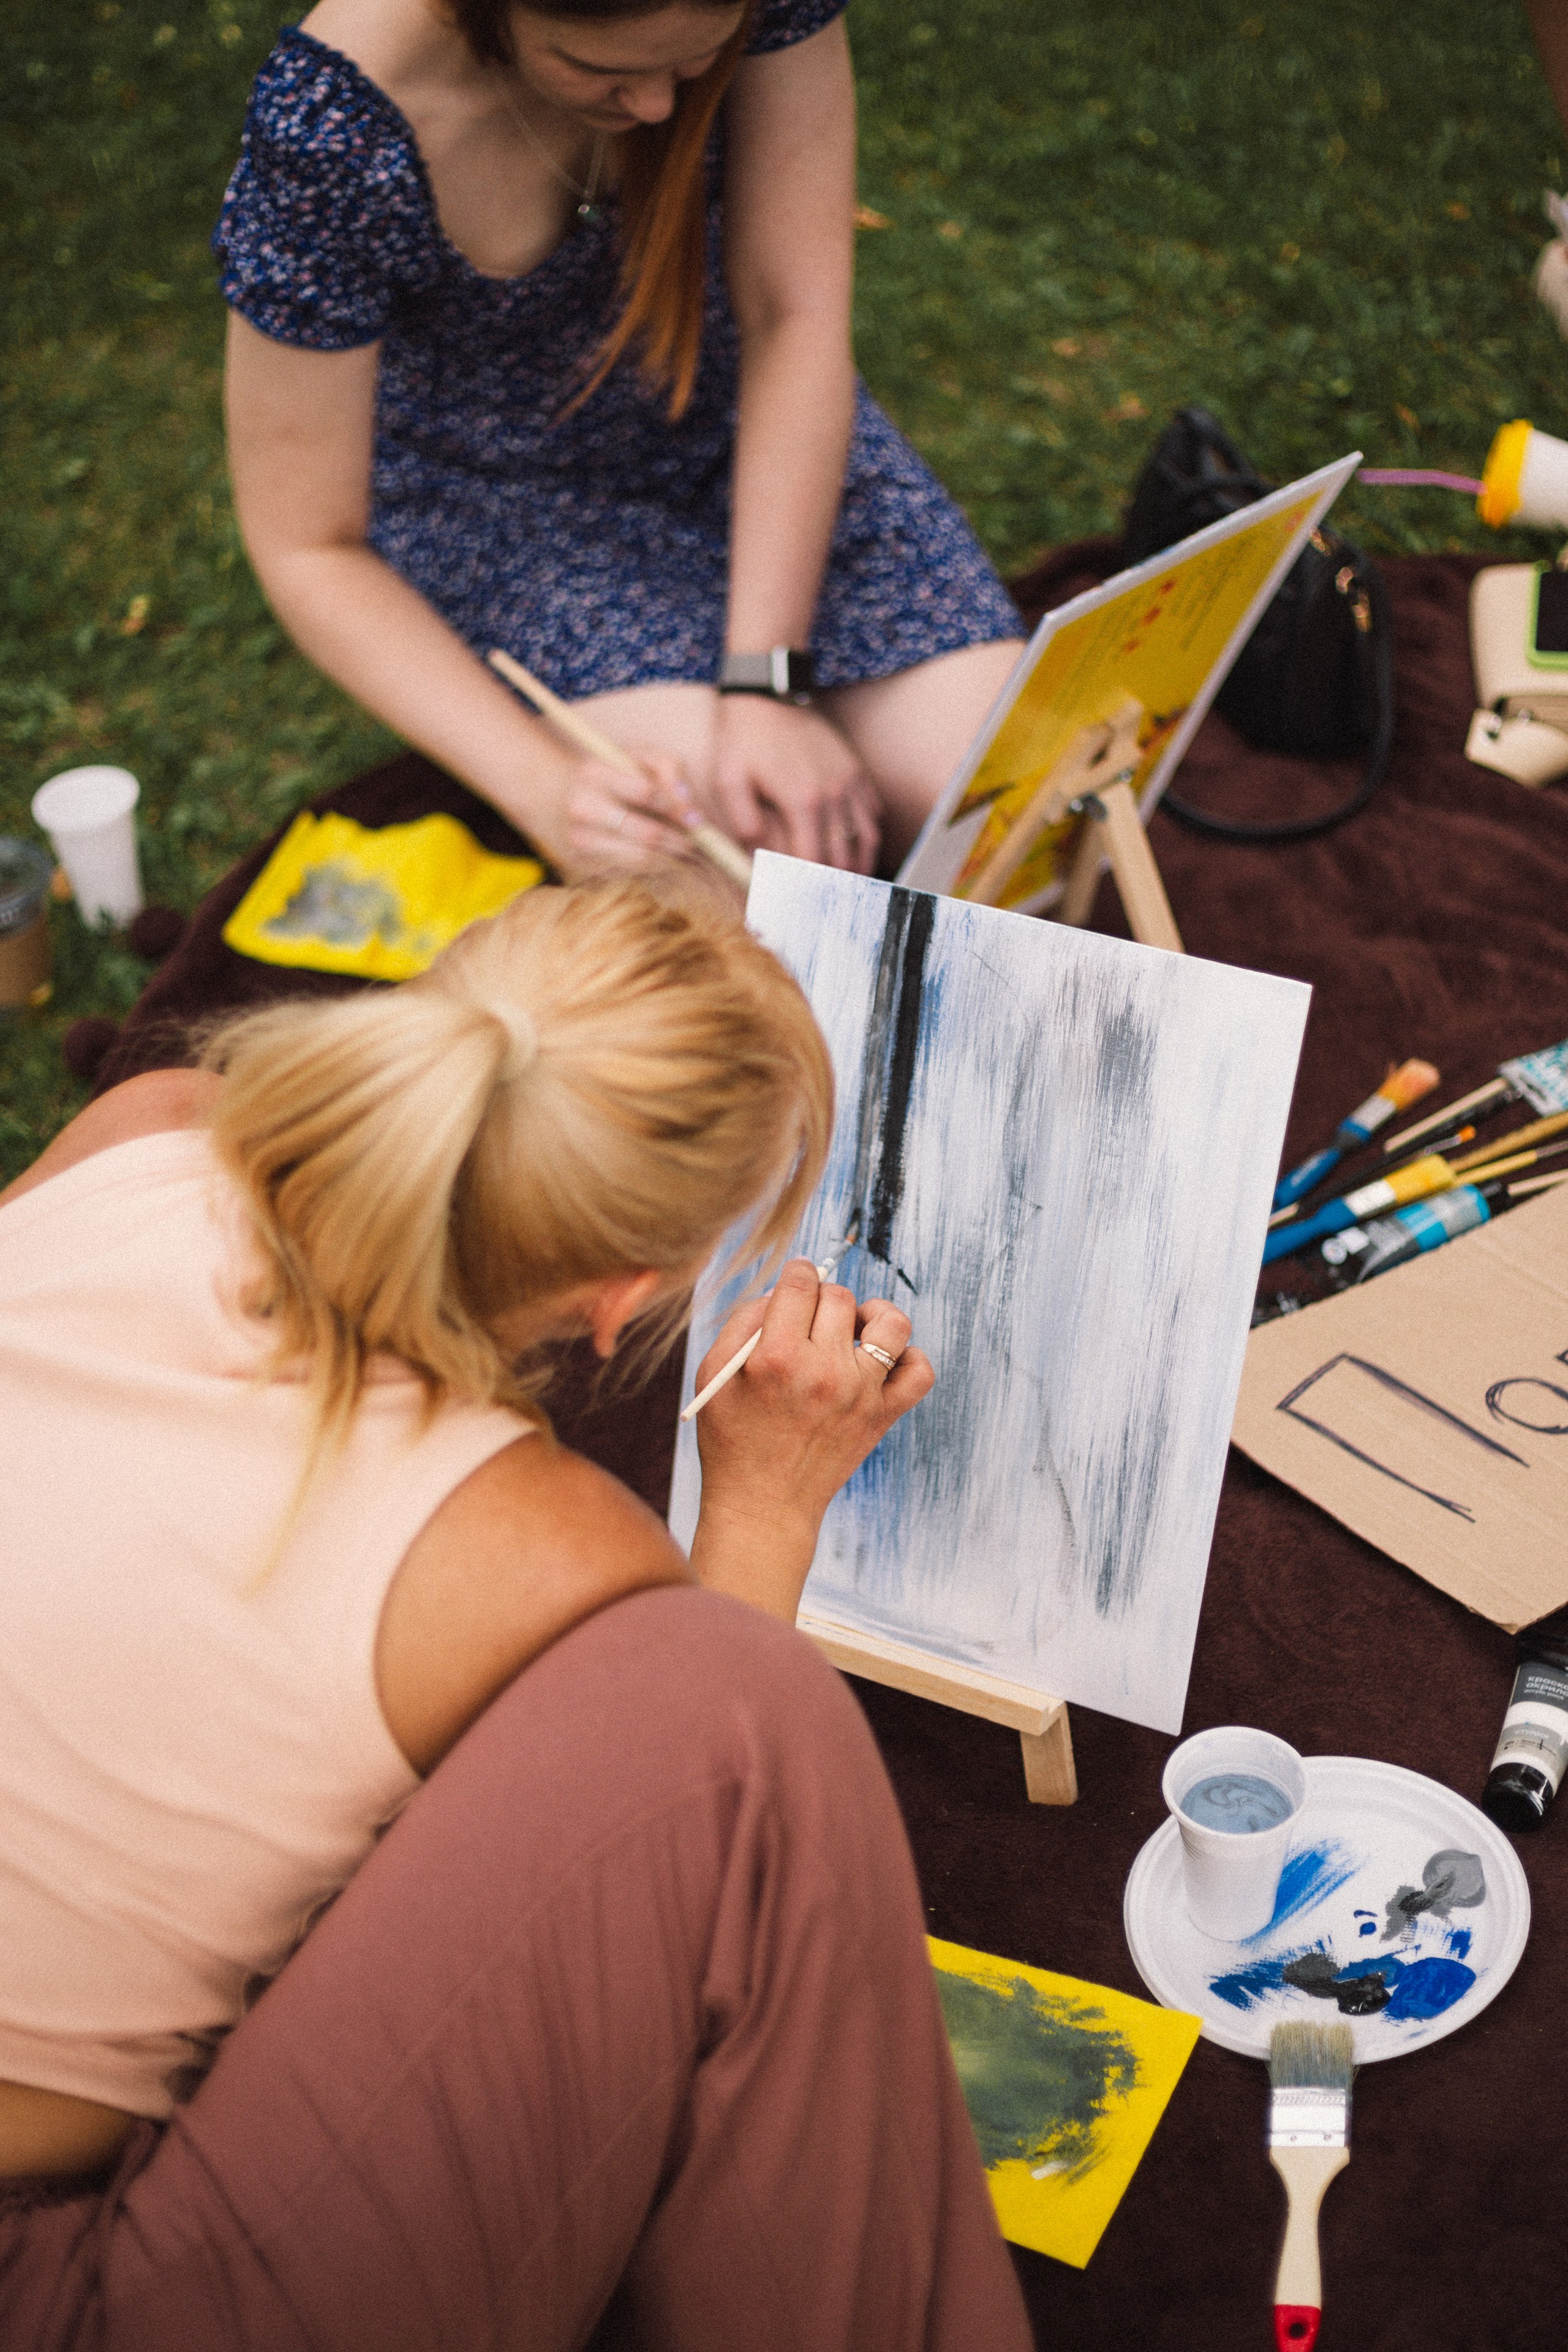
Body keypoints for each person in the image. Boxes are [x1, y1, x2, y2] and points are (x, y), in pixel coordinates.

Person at [0, 879, 1033, 2350]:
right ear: (625, 1296)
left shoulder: (148, 1126)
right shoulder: (527, 1553)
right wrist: (764, 1505)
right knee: (736, 1716)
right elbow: (676, 1866)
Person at [216, 0, 1027, 883]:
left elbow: (792, 319)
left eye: (693, 64)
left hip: (742, 426)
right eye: (599, 67)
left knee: (1014, 811)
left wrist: (767, 681)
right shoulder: (332, 132)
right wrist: (543, 787)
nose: (653, 109)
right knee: (745, 890)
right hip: (507, 510)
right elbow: (307, 545)